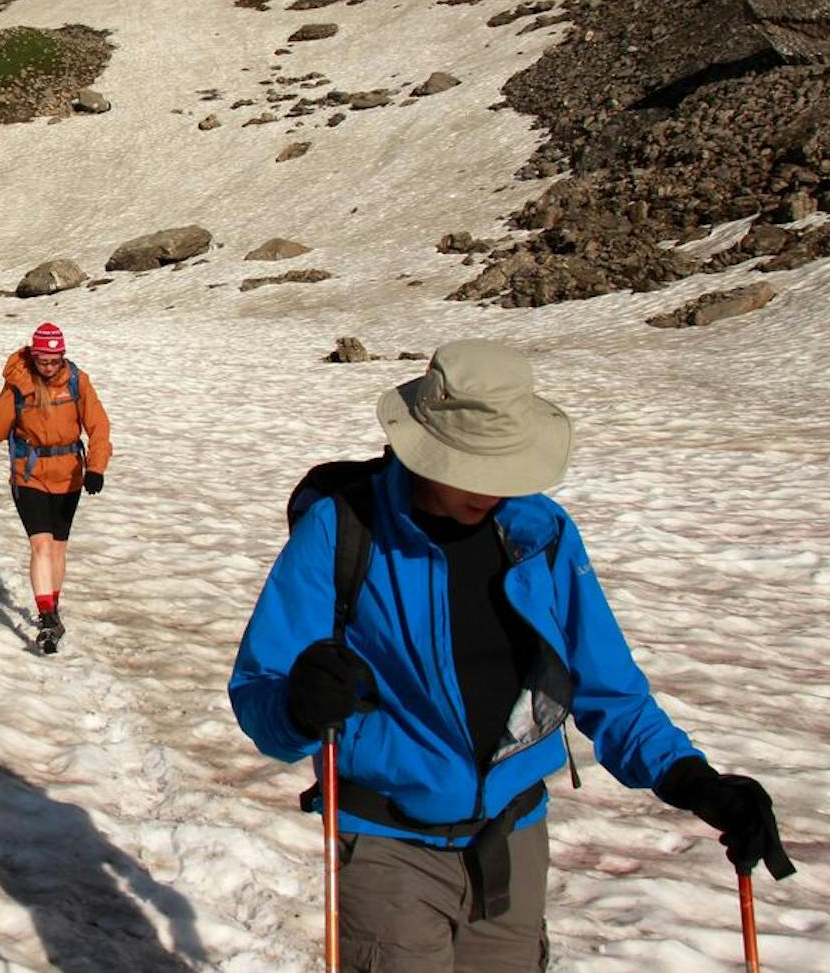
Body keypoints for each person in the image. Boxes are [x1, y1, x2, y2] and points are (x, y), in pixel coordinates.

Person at [229, 339, 794, 969]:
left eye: (502, 469)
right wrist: (300, 708)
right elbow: (261, 689)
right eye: (470, 467)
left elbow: (606, 683)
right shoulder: (343, 530)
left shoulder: (540, 533)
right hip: (388, 846)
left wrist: (692, 780)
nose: (490, 489)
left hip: (515, 841)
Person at [0, 323, 111, 654]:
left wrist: (96, 467)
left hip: (70, 473)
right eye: (43, 361)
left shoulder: (77, 381)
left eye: (55, 361)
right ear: (33, 356)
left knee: (57, 547)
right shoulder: (20, 385)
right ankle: (46, 617)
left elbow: (99, 425)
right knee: (40, 544)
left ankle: (52, 609)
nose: (49, 367)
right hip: (30, 473)